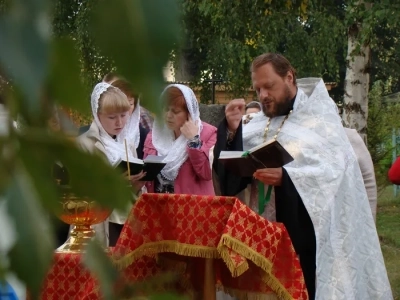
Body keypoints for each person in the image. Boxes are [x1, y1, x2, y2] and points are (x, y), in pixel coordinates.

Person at [213, 53, 392, 299]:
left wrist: (287, 178)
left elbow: (333, 175)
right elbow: (231, 178)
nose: (263, 95)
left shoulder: (320, 122)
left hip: (305, 240)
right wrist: (232, 135)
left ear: (289, 77)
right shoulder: (253, 125)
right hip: (261, 237)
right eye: (257, 89)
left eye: (269, 86)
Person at [78, 82, 145, 246]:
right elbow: (79, 193)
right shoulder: (84, 144)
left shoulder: (128, 144)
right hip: (99, 224)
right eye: (112, 117)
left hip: (127, 223)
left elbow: (133, 195)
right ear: (97, 115)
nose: (119, 122)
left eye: (123, 115)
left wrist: (137, 184)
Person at [143, 84, 216, 195]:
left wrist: (194, 140)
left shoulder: (208, 133)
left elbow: (207, 173)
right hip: (158, 206)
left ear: (189, 114)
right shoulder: (154, 136)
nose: (168, 115)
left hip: (191, 208)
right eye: (166, 109)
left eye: (175, 111)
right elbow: (147, 176)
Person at [344, 127, 377, 222]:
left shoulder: (347, 136)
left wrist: (369, 223)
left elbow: (367, 182)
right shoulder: (298, 140)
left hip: (343, 222)